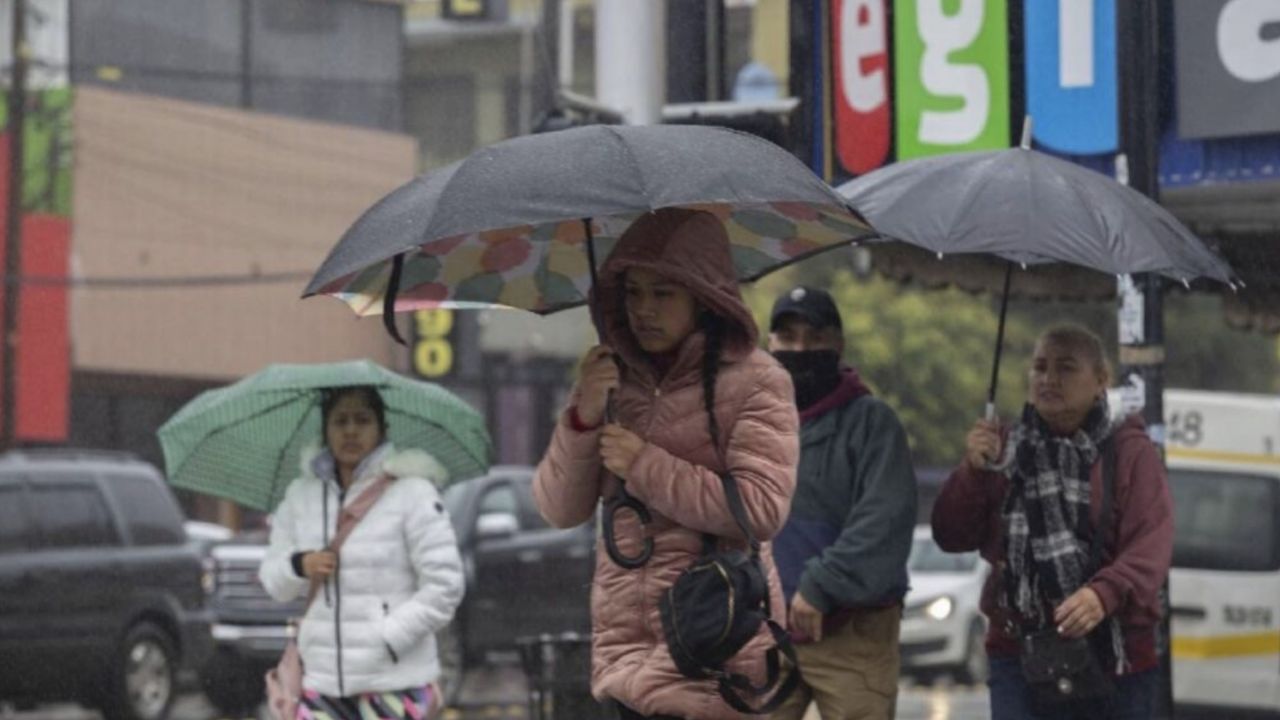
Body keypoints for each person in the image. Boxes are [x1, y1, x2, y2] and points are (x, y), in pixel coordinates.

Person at [533, 208, 800, 720]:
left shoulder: (758, 380)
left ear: (703, 297)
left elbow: (761, 508)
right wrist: (582, 417)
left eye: (662, 294)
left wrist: (644, 465)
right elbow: (559, 509)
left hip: (712, 650)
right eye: (632, 293)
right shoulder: (610, 378)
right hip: (623, 657)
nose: (643, 310)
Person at [931, 325, 1173, 720]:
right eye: (1040, 367)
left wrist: (1102, 595)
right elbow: (951, 535)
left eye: (1066, 368)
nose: (1048, 379)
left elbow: (1151, 547)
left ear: (1101, 380)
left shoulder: (1130, 451)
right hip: (1020, 654)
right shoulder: (1002, 448)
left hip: (1117, 659)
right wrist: (972, 472)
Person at [261, 386, 463, 720]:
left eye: (362, 420)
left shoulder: (413, 493)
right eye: (340, 421)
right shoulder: (301, 496)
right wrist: (299, 565)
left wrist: (388, 636)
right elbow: (273, 582)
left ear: (382, 429)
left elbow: (446, 586)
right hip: (321, 682)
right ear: (326, 430)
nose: (351, 430)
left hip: (394, 682)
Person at [764, 286, 917, 720]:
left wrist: (821, 586)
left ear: (839, 345)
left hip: (853, 633)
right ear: (769, 344)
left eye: (815, 338)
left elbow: (885, 521)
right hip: (763, 632)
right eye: (787, 337)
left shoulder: (872, 422)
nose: (800, 349)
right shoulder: (751, 421)